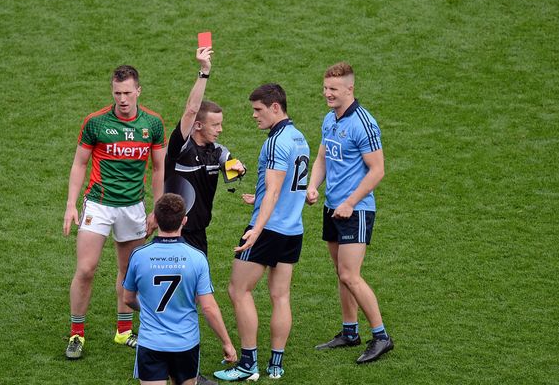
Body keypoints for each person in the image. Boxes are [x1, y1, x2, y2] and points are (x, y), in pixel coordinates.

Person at [62, 65, 166, 359]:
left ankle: (123, 331)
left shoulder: (153, 124)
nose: (122, 98)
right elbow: (79, 163)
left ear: (138, 91)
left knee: (128, 271)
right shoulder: (95, 122)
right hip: (99, 204)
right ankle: (76, 334)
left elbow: (159, 169)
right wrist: (71, 205)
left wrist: (157, 210)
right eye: (117, 93)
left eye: (127, 93)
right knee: (85, 269)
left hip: (133, 207)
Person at [214, 84, 310, 381]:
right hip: (293, 229)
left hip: (268, 229)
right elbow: (294, 186)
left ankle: (247, 365)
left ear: (275, 108)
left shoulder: (275, 142)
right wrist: (260, 196)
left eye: (258, 110)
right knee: (280, 296)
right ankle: (276, 366)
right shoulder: (299, 137)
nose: (254, 116)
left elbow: (274, 190)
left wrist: (256, 228)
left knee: (237, 290)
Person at [306, 62, 394, 363]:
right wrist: (313, 186)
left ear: (349, 89)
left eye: (333, 89)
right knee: (341, 275)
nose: (327, 94)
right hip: (333, 208)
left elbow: (378, 170)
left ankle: (381, 336)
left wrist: (350, 202)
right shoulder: (330, 119)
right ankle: (350, 331)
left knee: (350, 274)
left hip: (355, 211)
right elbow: (322, 157)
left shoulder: (363, 123)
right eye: (325, 88)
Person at [123, 193, 238, 385]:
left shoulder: (139, 256)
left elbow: (127, 299)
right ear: (184, 220)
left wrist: (147, 309)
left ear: (156, 219)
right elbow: (209, 308)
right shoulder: (197, 258)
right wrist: (227, 343)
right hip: (185, 343)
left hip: (151, 343)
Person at [164, 46, 246, 255]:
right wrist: (204, 71)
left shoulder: (217, 151)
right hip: (175, 231)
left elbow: (232, 172)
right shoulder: (180, 148)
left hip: (199, 232)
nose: (220, 129)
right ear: (198, 125)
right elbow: (191, 110)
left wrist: (239, 168)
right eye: (215, 125)